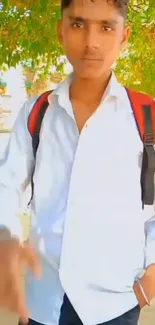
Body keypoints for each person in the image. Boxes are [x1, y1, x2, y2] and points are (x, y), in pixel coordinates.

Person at [0, 0, 155, 325]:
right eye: (78, 24)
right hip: (43, 297)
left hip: (115, 302)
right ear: (61, 29)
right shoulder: (37, 113)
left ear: (124, 37)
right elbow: (7, 183)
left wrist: (150, 280)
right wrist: (6, 238)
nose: (91, 42)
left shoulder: (145, 116)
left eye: (106, 27)